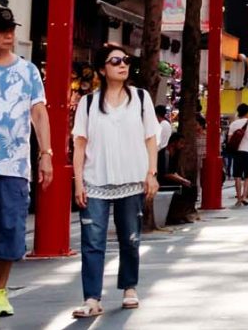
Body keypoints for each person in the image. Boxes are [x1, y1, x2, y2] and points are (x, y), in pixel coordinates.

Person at [71, 43, 160, 318]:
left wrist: (151, 174)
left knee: (130, 238)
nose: (123, 65)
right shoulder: (87, 104)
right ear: (102, 69)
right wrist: (78, 183)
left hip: (131, 179)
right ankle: (91, 298)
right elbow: (80, 146)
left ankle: (129, 288)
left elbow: (151, 139)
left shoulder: (141, 98)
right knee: (92, 241)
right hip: (95, 180)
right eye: (115, 61)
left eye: (126, 60)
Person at [0, 7, 52, 319]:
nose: (9, 35)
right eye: (1, 30)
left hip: (14, 163)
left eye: (11, 29)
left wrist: (46, 154)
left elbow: (38, 112)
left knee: (10, 228)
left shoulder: (28, 71)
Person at [155, 105, 172, 179]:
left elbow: (158, 141)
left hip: (160, 151)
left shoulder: (162, 125)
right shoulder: (166, 124)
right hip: (161, 150)